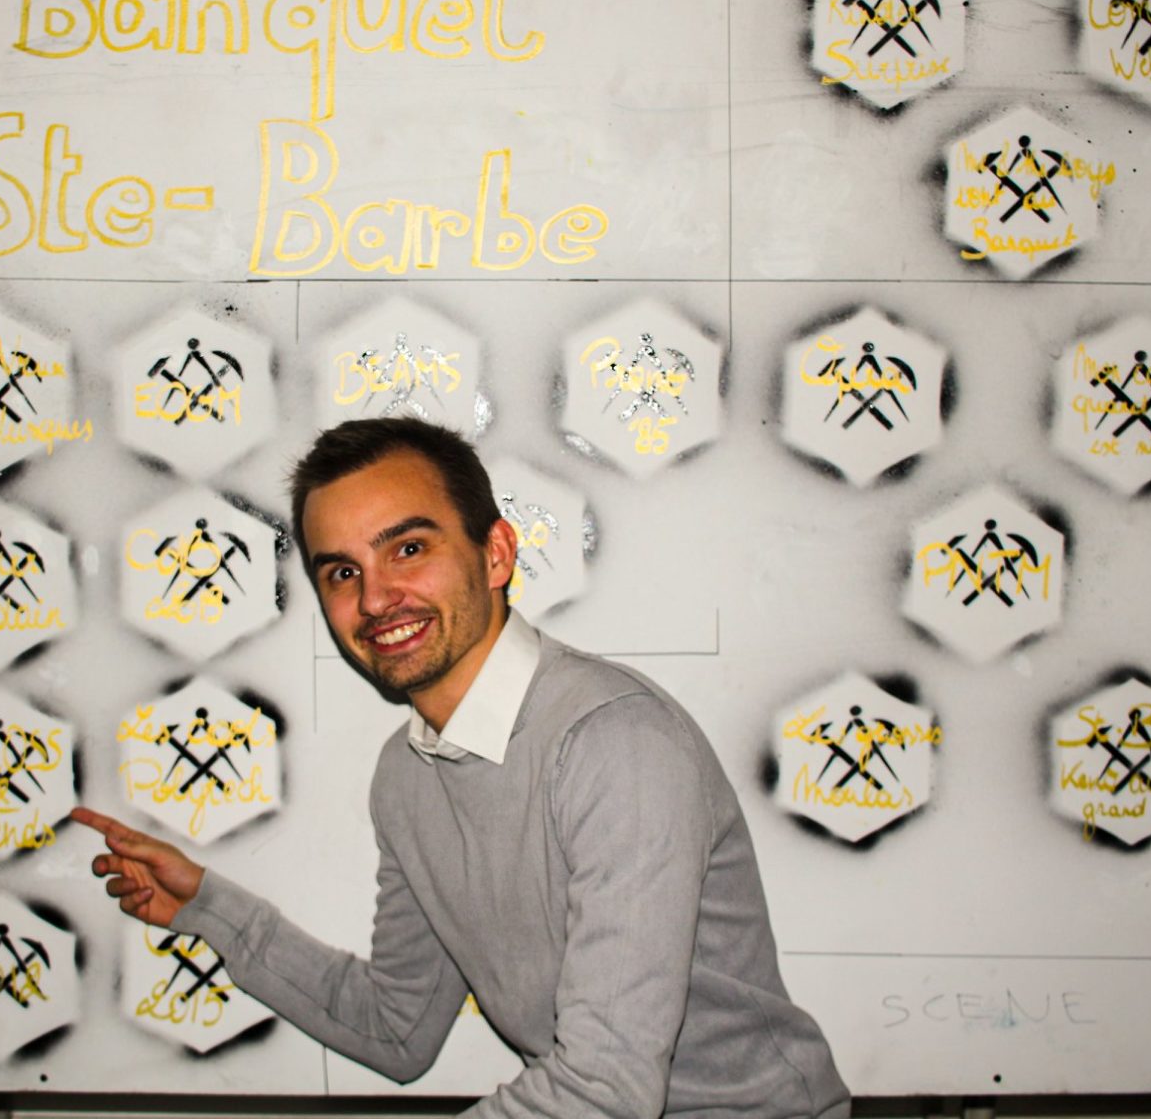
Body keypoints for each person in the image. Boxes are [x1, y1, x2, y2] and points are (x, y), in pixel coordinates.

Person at [74, 419, 850, 1118]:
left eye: (408, 549)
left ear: (496, 554)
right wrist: (210, 907)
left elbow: (607, 1088)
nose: (376, 598)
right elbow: (397, 1029)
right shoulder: (407, 775)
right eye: (341, 572)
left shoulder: (615, 741)